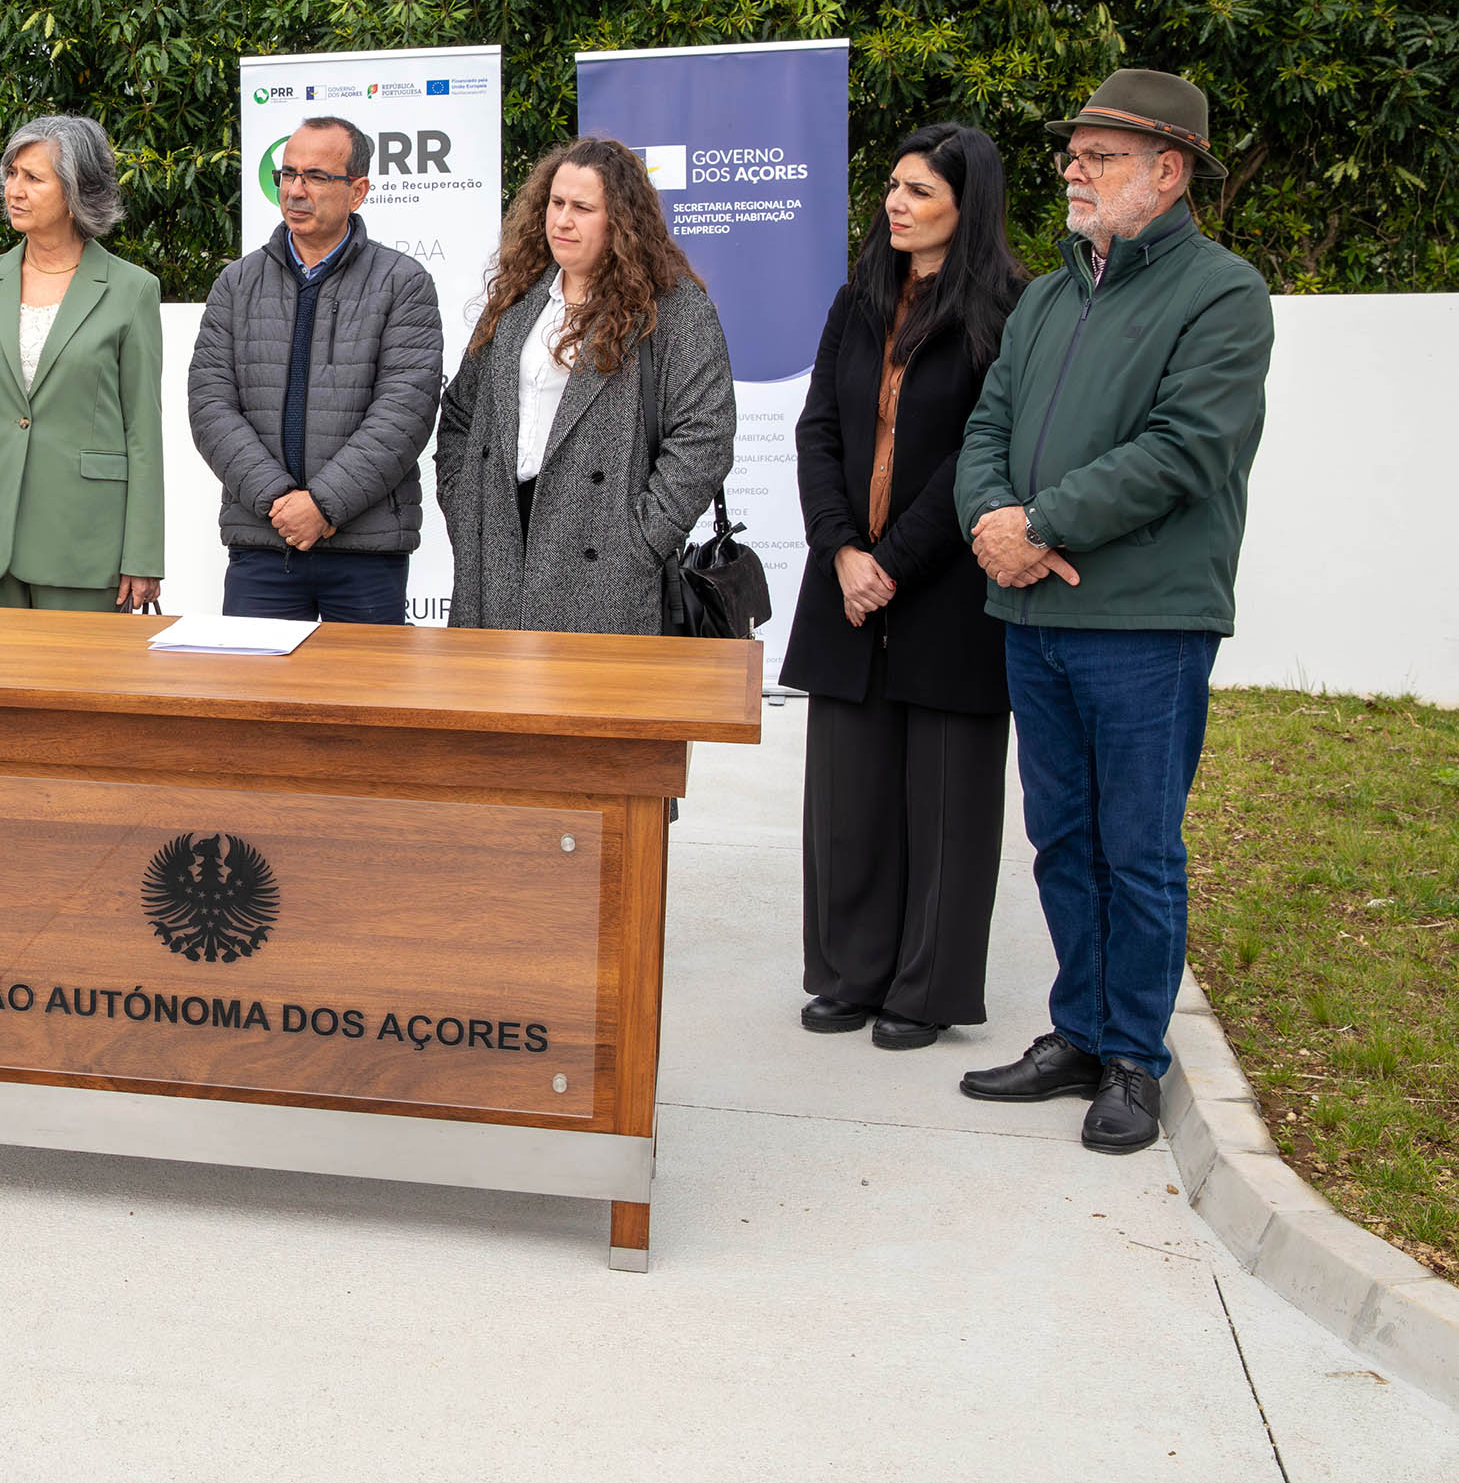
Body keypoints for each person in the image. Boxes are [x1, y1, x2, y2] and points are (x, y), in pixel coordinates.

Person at [954, 69, 1274, 1154]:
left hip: (1144, 621)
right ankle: (1080, 1032)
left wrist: (1043, 523)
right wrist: (994, 520)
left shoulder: (1223, 293)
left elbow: (1188, 449)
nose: (1073, 172)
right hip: (1034, 619)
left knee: (1137, 845)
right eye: (1072, 155)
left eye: (1098, 156)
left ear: (1169, 171)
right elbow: (987, 427)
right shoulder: (1049, 297)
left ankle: (1136, 1055)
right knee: (1061, 840)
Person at [781, 124, 1027, 1051]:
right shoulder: (858, 299)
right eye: (892, 186)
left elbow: (982, 450)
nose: (895, 203)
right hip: (847, 583)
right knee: (849, 796)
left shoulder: (1010, 307)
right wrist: (843, 551)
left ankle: (923, 991)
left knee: (947, 801)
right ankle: (849, 975)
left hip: (948, 587)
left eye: (918, 192)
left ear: (967, 209)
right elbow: (817, 433)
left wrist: (894, 562)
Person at [435, 136, 735, 636]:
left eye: (582, 207)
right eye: (555, 203)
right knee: (495, 710)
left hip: (603, 557)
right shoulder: (519, 297)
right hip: (500, 546)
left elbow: (704, 437)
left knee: (587, 710)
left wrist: (639, 541)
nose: (561, 220)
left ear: (621, 220)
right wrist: (467, 511)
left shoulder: (673, 309)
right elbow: (462, 412)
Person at [188, 116, 442, 622]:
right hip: (265, 543)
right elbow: (210, 404)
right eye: (288, 174)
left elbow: (404, 412)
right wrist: (281, 502)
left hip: (365, 551)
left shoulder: (403, 283)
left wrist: (324, 506)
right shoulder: (237, 283)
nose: (296, 190)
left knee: (362, 702)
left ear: (358, 191)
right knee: (255, 700)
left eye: (316, 176)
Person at [0, 116, 163, 613]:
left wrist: (144, 554)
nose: (14, 190)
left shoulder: (133, 290)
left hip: (86, 547)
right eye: (11, 174)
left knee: (74, 691)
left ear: (75, 192)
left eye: (33, 177)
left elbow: (143, 434)